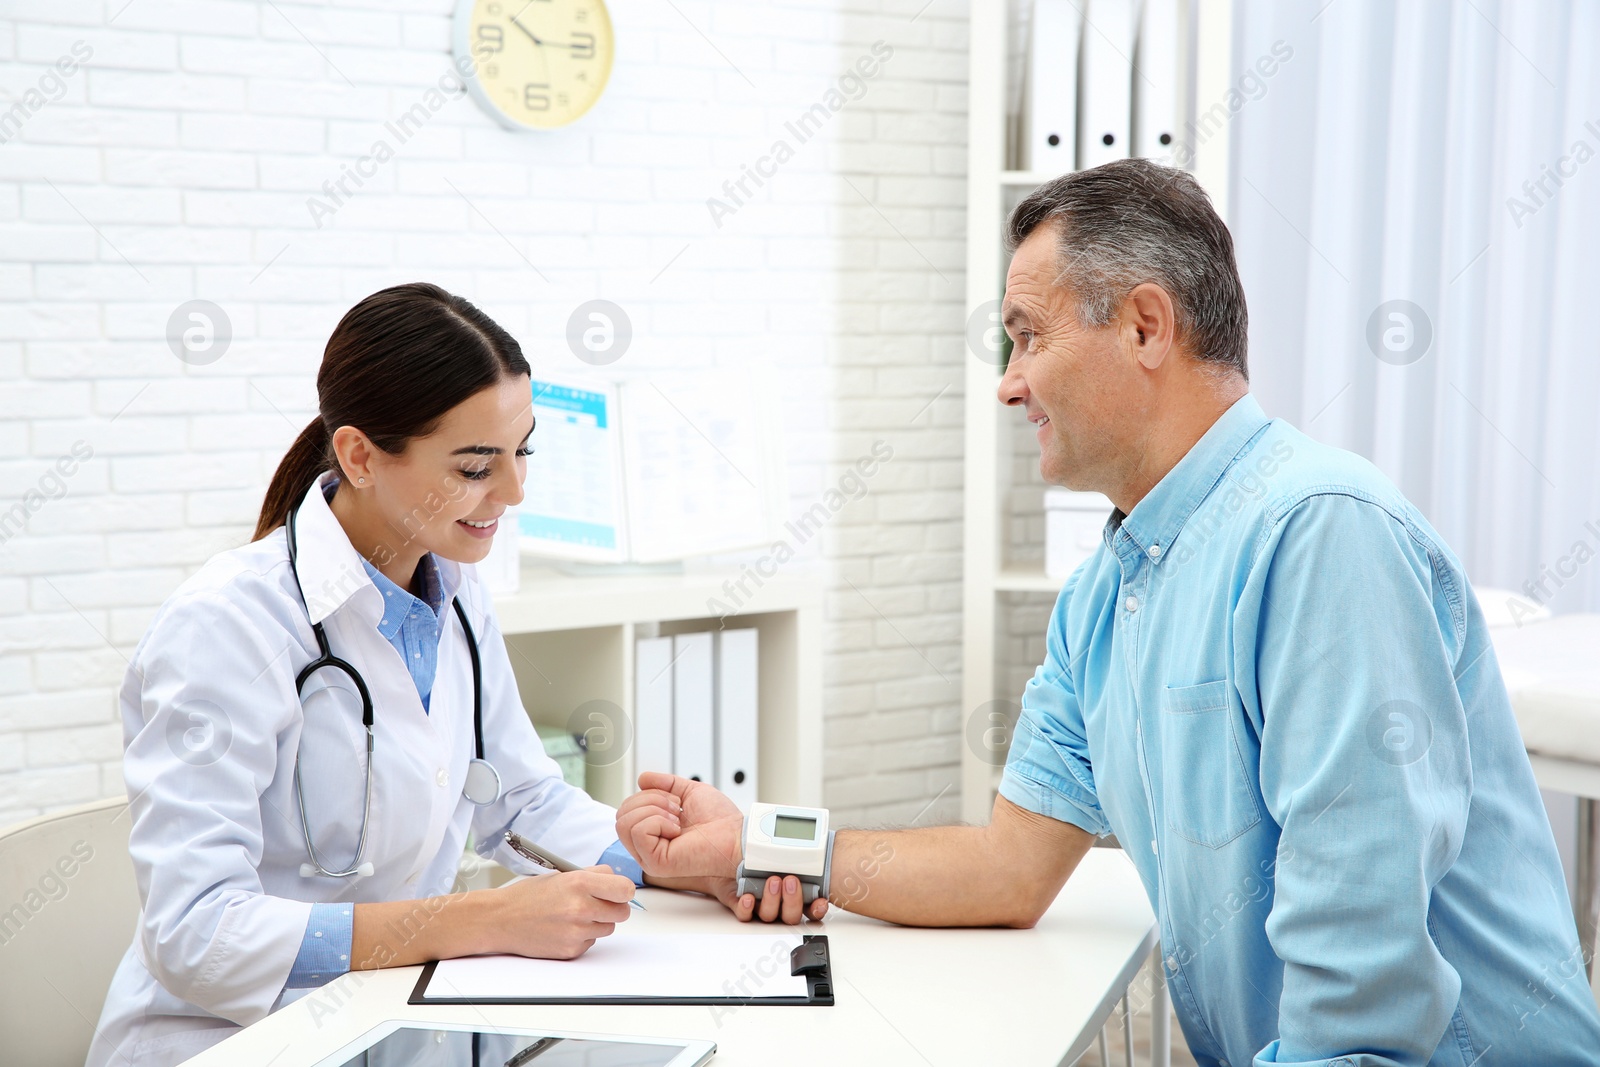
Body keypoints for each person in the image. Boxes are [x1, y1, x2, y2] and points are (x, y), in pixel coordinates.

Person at [617, 160, 1600, 1065]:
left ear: (1143, 325)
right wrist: (756, 845)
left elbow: (1363, 999)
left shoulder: (1317, 533)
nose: (1007, 381)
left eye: (1027, 335)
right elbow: (1006, 868)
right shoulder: (1108, 592)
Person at [86, 284, 749, 1067]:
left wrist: (668, 866)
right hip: (235, 1042)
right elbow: (196, 933)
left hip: (395, 1022)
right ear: (360, 456)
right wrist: (481, 919)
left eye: (522, 451)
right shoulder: (225, 627)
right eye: (475, 467)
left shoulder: (457, 588)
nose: (513, 493)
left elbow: (518, 796)